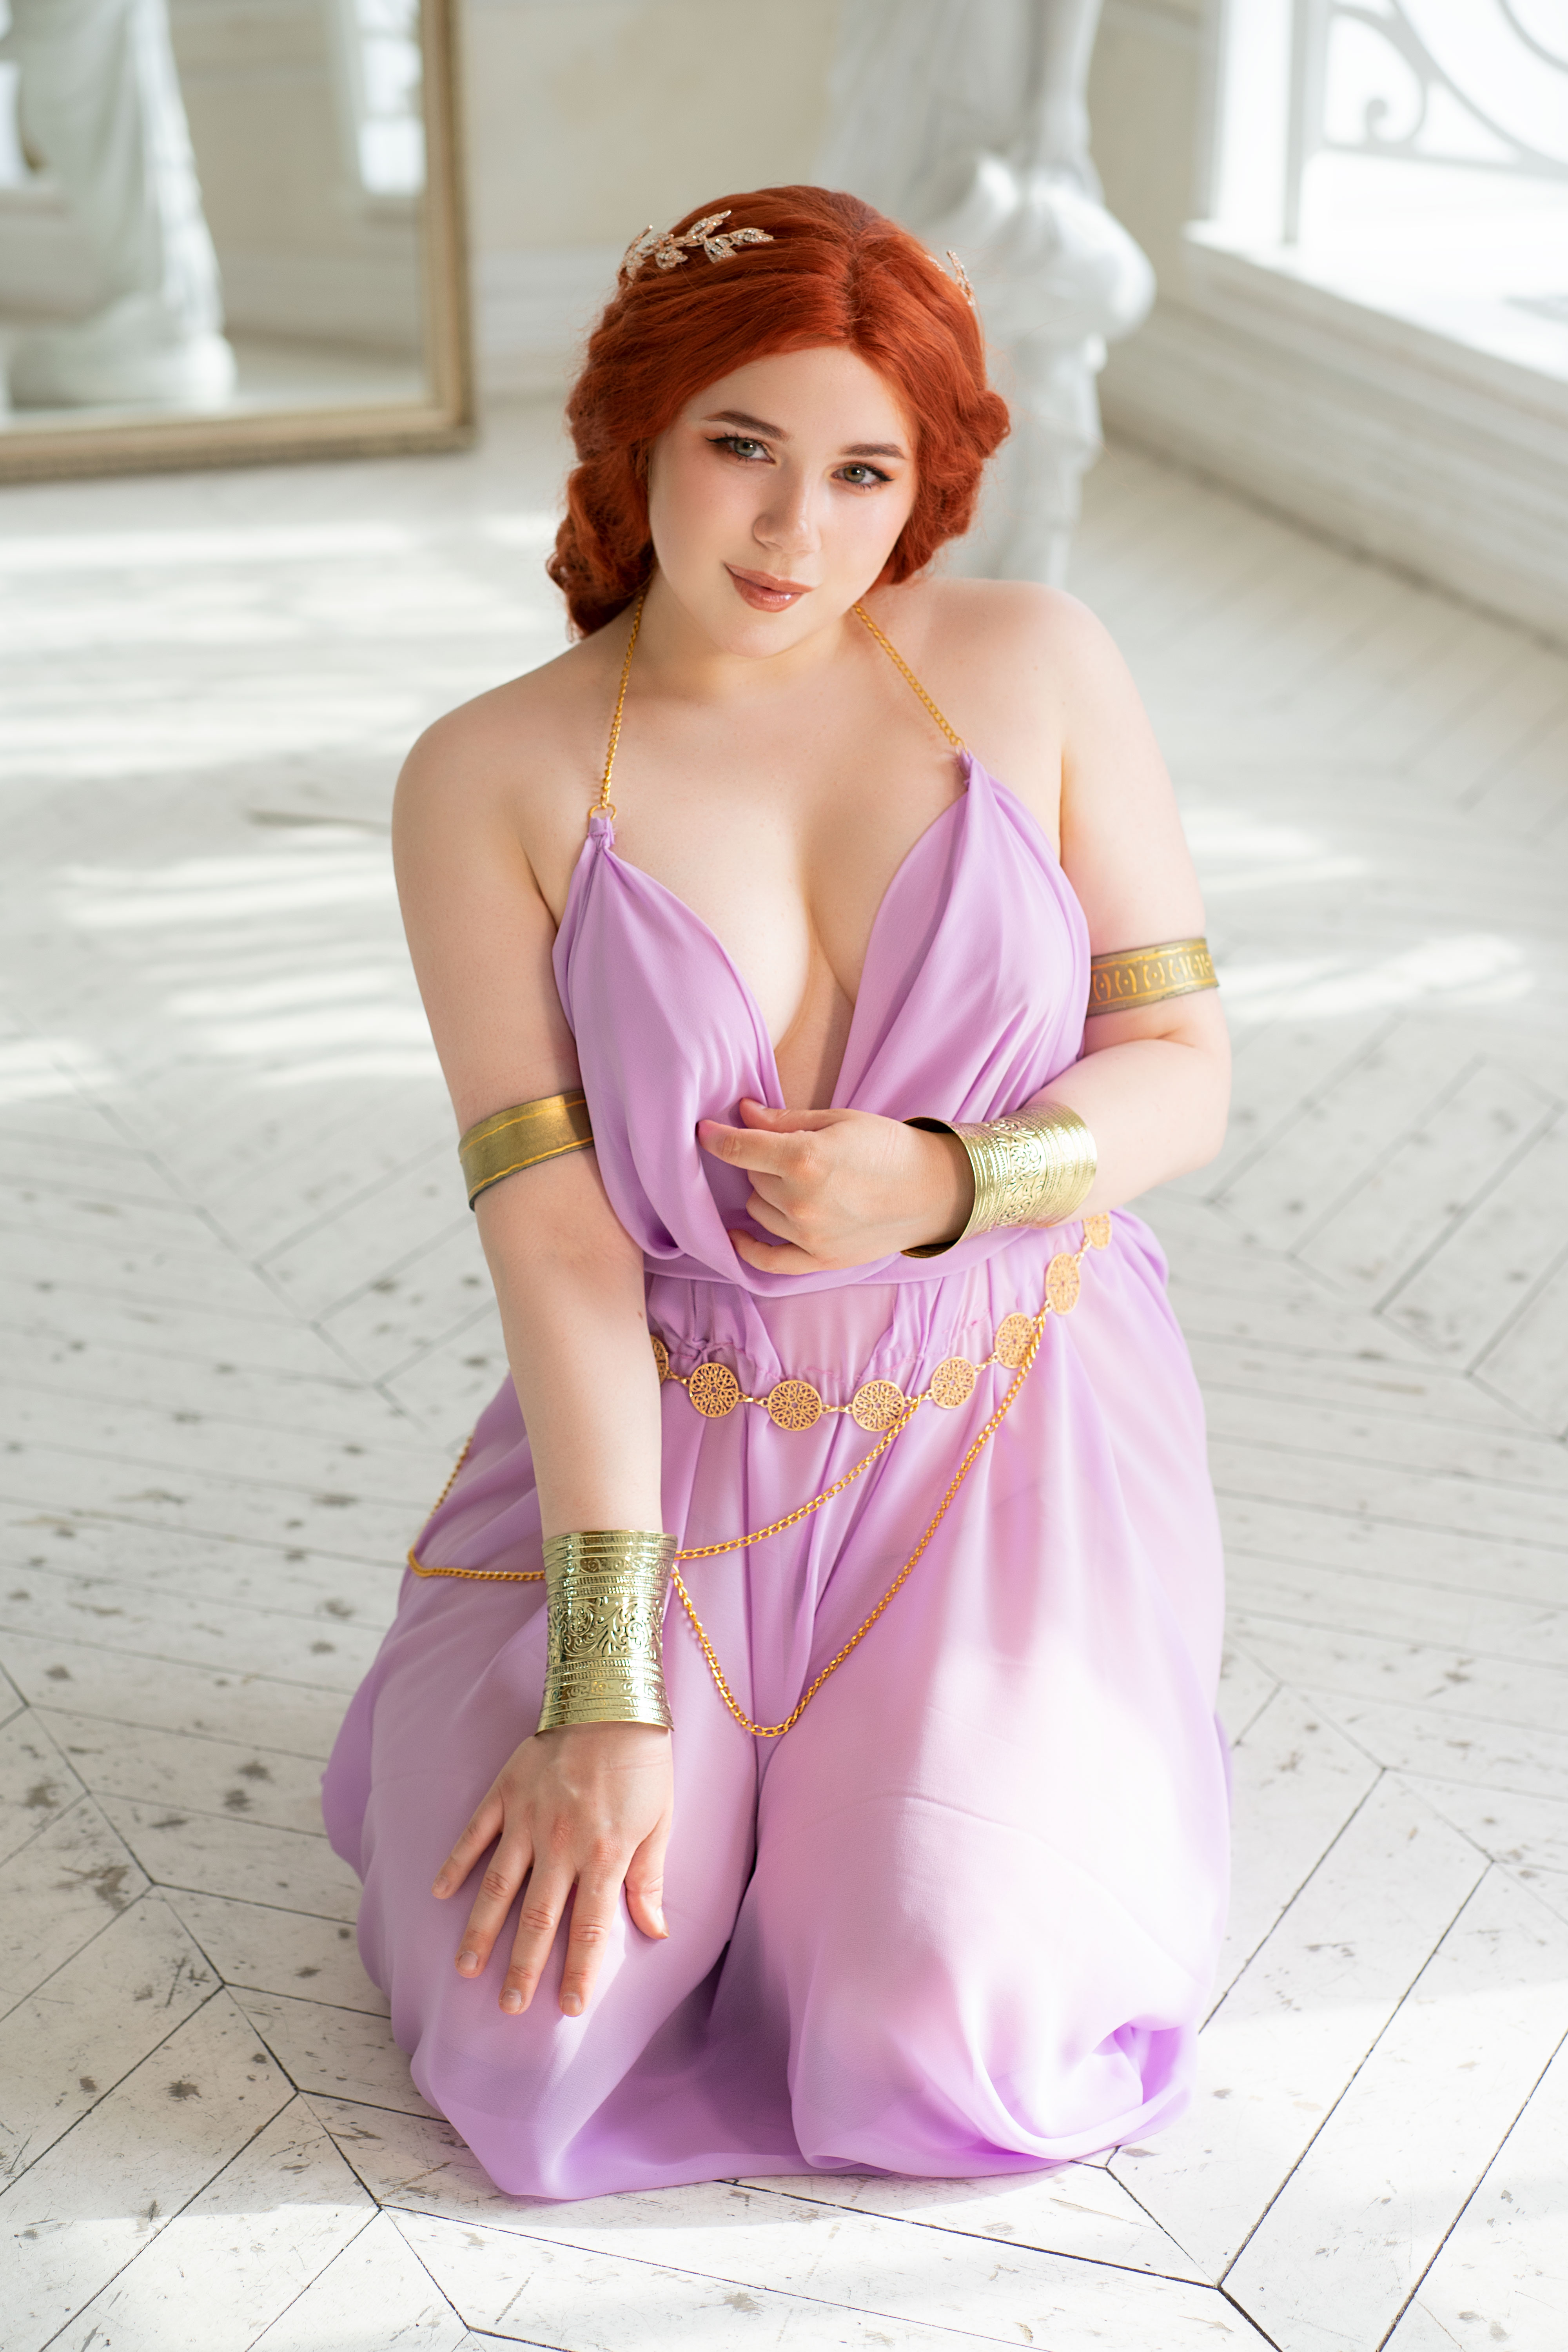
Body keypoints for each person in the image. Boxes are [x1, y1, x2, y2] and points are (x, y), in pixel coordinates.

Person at [322, 185, 1232, 2202]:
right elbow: (558, 1241)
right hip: (677, 1435)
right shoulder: (490, 774)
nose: (791, 534)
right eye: (741, 445)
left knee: (945, 2032)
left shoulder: (1033, 665)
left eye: (861, 473)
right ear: (639, 432)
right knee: (531, 2032)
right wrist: (604, 1693)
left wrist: (952, 1182)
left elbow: (1185, 1067)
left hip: (1007, 1417)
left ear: (924, 483)